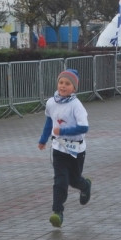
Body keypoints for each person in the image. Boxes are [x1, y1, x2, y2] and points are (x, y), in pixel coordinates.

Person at [37, 69, 91, 228]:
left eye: (67, 84)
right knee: (60, 181)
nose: (63, 86)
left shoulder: (77, 106)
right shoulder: (51, 102)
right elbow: (49, 122)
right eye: (61, 82)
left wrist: (64, 131)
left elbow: (84, 128)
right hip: (58, 148)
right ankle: (57, 212)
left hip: (76, 150)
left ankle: (85, 185)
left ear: (74, 88)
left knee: (74, 180)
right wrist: (43, 139)